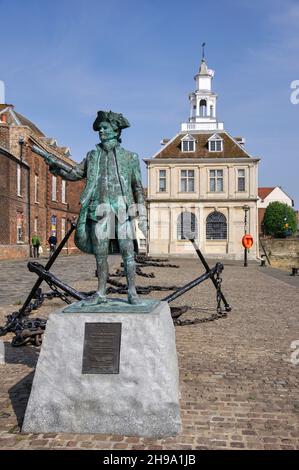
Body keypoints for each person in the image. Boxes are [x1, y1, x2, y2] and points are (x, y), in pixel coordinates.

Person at [43, 110, 147, 305]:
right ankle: (101, 293)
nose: (101, 131)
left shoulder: (130, 157)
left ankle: (132, 292)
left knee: (128, 253)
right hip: (99, 209)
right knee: (100, 255)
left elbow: (137, 188)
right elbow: (74, 173)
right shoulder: (92, 156)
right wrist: (54, 165)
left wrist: (141, 215)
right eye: (99, 128)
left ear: (116, 130)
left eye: (105, 127)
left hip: (123, 210)